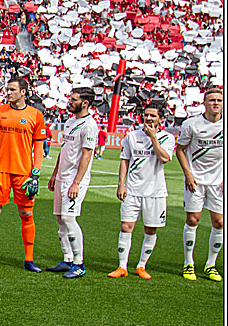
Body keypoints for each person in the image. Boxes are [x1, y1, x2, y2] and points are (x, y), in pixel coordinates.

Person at [0, 76, 46, 272]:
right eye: (8, 89)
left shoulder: (36, 115)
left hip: (24, 173)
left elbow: (38, 146)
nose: (9, 92)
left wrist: (36, 173)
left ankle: (29, 260)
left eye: (13, 89)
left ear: (24, 92)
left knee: (26, 213)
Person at [108, 104, 175, 280]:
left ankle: (141, 265)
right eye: (146, 115)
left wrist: (154, 138)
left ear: (161, 119)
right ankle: (122, 266)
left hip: (155, 192)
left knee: (150, 229)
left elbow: (165, 158)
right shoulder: (132, 136)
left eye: (153, 116)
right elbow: (124, 160)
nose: (149, 118)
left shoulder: (167, 138)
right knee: (126, 227)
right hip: (132, 190)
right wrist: (121, 184)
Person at [45, 87, 99, 278]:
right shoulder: (69, 122)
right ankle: (67, 259)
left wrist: (76, 182)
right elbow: (64, 150)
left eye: (74, 100)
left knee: (69, 218)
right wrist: (54, 174)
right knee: (60, 218)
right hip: (62, 177)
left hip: (75, 180)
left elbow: (86, 155)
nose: (70, 102)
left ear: (85, 103)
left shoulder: (89, 125)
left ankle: (79, 263)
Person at [176, 86, 223, 282]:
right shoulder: (192, 124)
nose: (215, 103)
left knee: (220, 222)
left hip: (218, 182)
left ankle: (210, 264)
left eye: (219, 100)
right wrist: (187, 174)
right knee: (193, 220)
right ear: (204, 103)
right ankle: (189, 263)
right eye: (212, 100)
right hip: (195, 179)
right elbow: (180, 150)